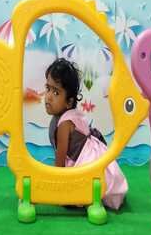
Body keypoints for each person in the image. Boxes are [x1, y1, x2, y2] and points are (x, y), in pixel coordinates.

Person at [44, 58, 127, 209]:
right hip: (94, 160)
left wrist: (56, 190)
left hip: (88, 164)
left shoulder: (64, 125)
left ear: (69, 102)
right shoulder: (73, 114)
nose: (48, 96)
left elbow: (60, 162)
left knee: (72, 191)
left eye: (56, 92)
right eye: (48, 88)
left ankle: (83, 195)